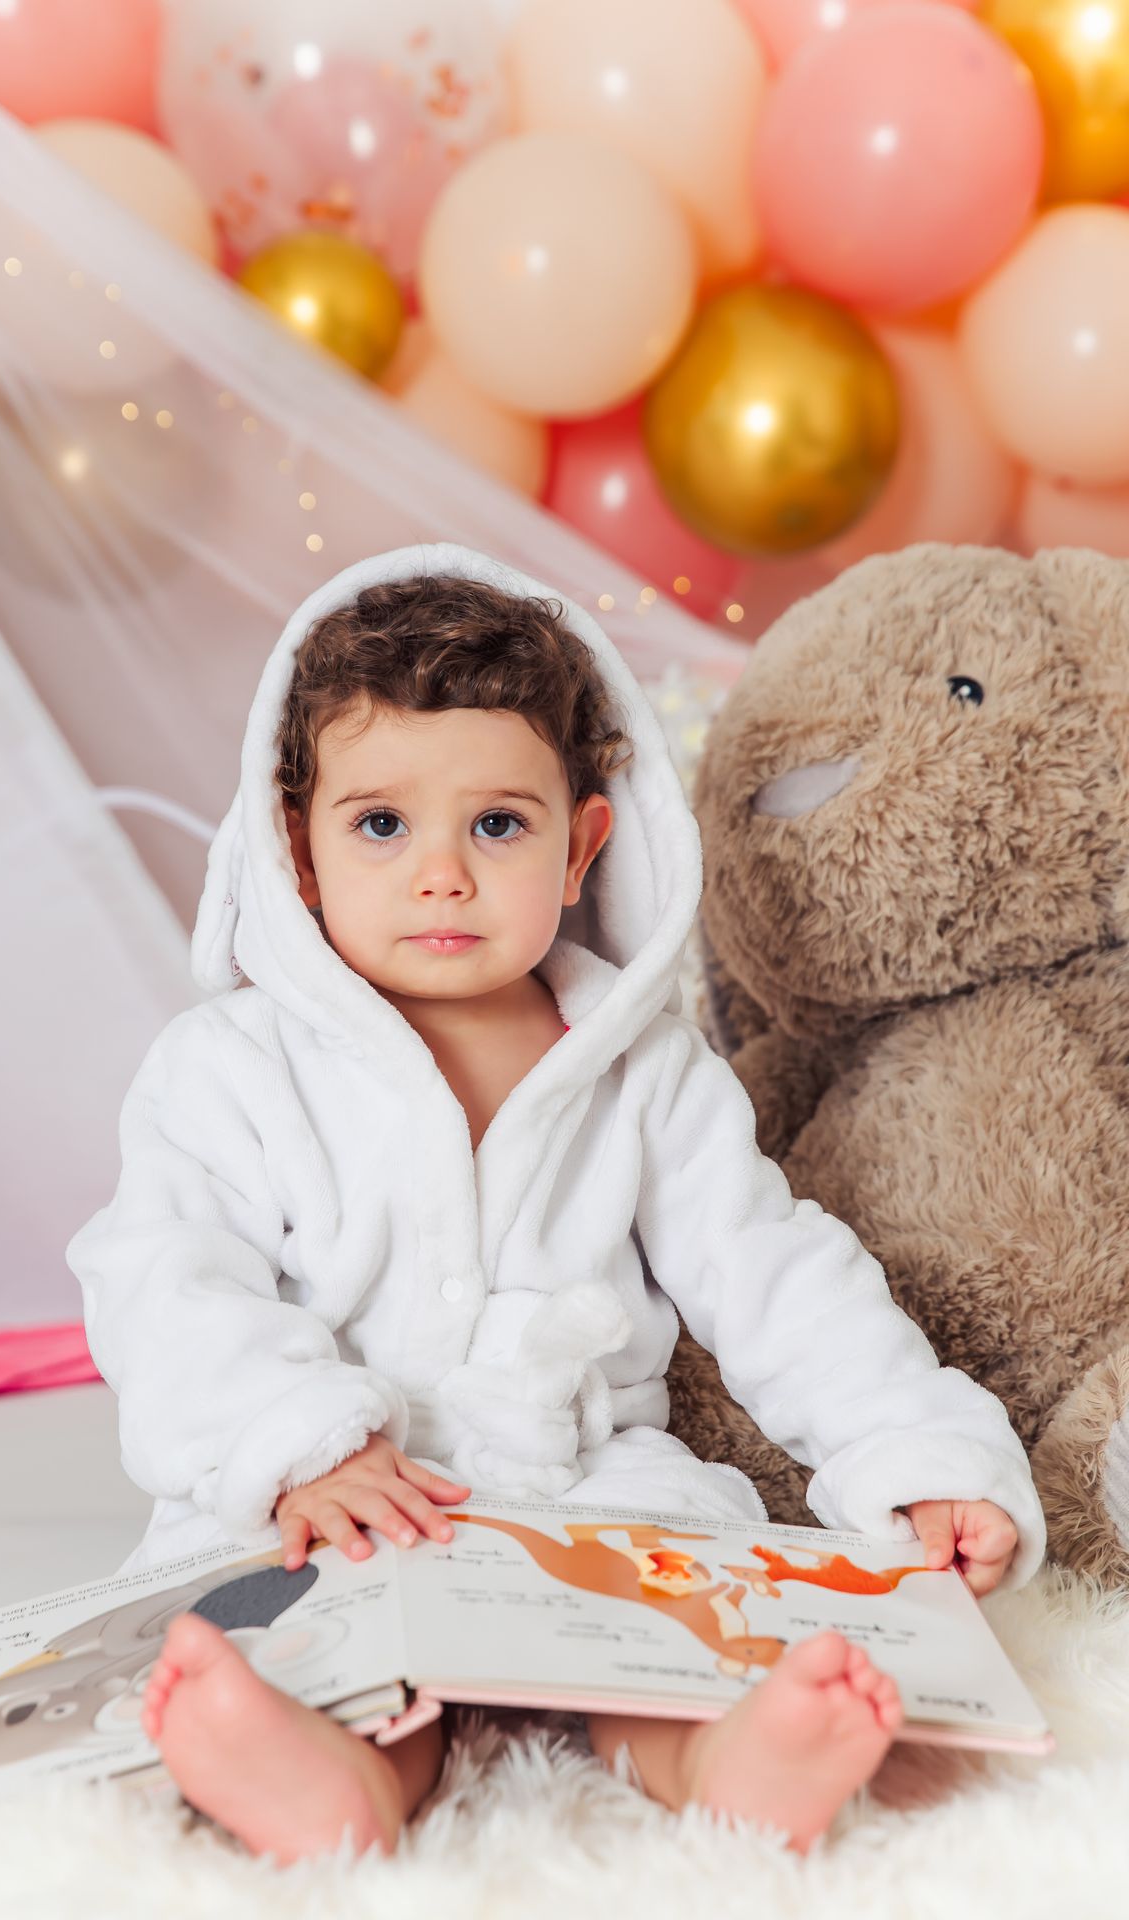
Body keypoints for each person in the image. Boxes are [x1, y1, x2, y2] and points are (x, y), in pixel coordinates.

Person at [68, 544, 1045, 1861]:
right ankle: (328, 1780)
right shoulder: (228, 1068)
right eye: (379, 824)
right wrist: (297, 1441)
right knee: (343, 1638)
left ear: (581, 843)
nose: (442, 874)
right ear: (294, 849)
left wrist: (922, 1458)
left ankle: (726, 1760)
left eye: (497, 824)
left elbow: (775, 1276)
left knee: (666, 1627)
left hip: (582, 1481)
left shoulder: (642, 1066)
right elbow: (164, 1278)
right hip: (355, 1491)